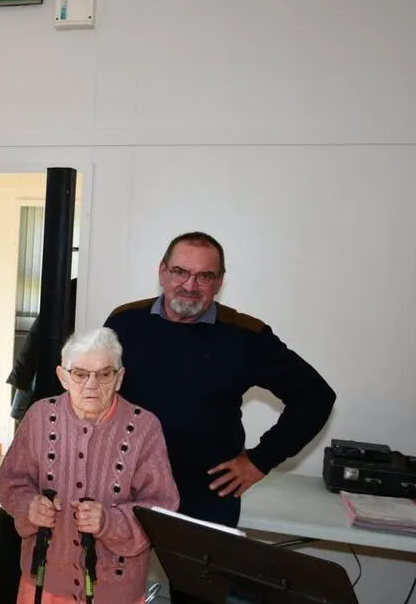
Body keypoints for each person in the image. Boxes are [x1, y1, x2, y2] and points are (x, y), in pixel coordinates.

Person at [104, 231, 336, 604]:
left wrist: (260, 460)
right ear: (162, 272)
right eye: (180, 272)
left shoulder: (245, 335)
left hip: (205, 495)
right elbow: (97, 391)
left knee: (198, 596)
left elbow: (316, 396)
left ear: (219, 282)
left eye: (205, 276)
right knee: (109, 589)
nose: (190, 285)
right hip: (125, 485)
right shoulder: (124, 322)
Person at [0, 327, 179, 604]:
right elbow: (11, 481)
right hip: (45, 583)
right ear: (63, 377)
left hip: (115, 590)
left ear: (119, 378)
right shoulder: (39, 416)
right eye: (80, 374)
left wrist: (109, 521)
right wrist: (29, 506)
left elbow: (162, 507)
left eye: (104, 374)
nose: (92, 384)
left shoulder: (145, 427)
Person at [7, 278, 77, 419]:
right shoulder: (73, 288)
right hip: (45, 365)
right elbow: (35, 337)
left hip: (53, 367)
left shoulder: (75, 288)